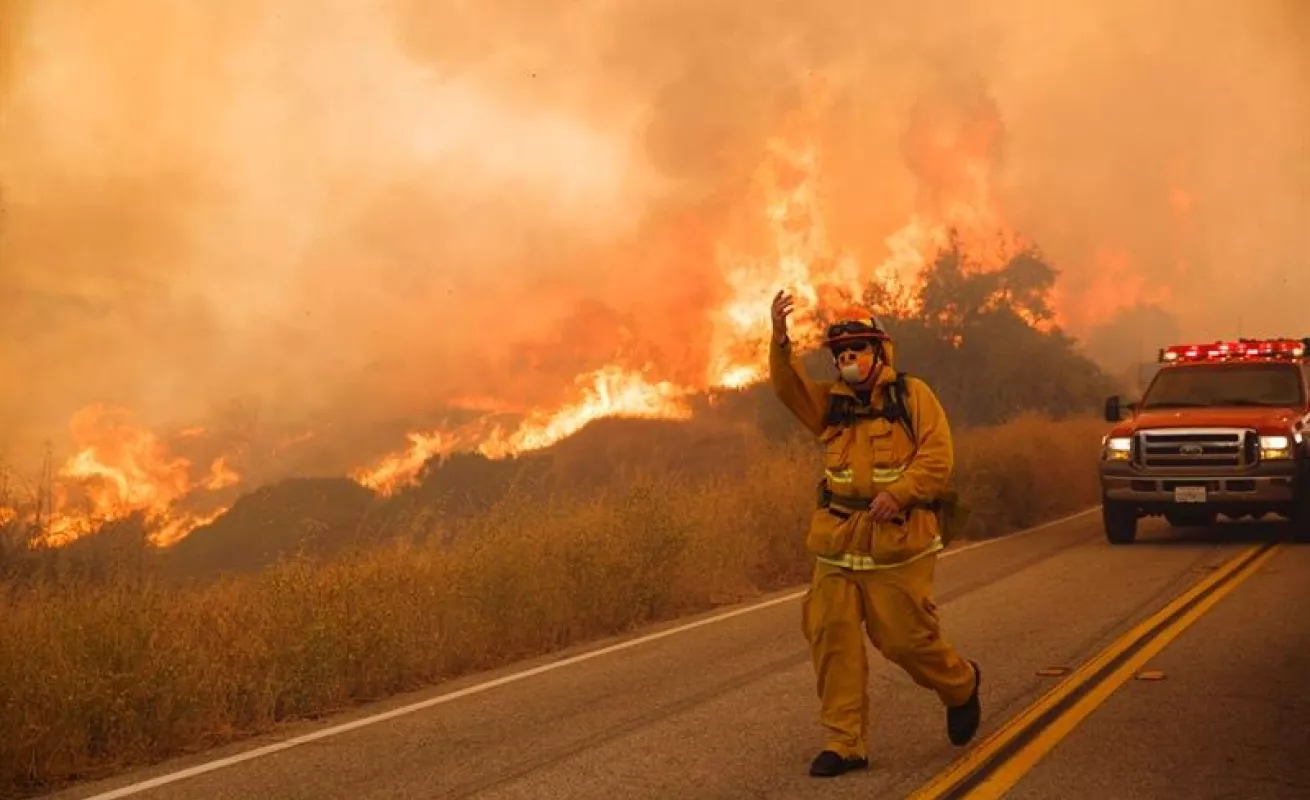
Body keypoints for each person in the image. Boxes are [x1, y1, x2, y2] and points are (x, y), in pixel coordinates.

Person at [768, 289, 981, 778]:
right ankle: (845, 744)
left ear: (879, 353)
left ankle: (961, 685)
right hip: (838, 543)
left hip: (897, 544)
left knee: (904, 642)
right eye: (842, 354)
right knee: (831, 638)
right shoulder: (830, 406)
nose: (849, 360)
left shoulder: (913, 397)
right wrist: (780, 340)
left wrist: (902, 493)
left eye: (858, 350)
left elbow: (937, 457)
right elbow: (786, 387)